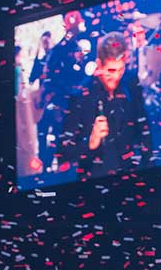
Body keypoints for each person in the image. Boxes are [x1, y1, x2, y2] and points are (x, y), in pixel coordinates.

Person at [57, 31, 152, 179]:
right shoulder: (80, 97)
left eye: (120, 69)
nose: (116, 76)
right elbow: (63, 154)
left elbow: (144, 130)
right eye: (110, 71)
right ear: (99, 64)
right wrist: (91, 142)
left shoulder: (131, 85)